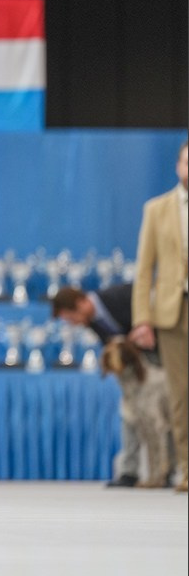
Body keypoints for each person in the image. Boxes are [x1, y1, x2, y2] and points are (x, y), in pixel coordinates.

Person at [51, 281, 172, 488]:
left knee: (161, 422)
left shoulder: (122, 294)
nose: (74, 324)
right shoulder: (92, 321)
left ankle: (166, 471)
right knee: (131, 417)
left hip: (163, 363)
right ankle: (131, 472)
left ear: (82, 303)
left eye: (73, 318)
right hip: (136, 378)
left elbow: (159, 310)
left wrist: (146, 326)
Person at [131, 139, 188, 494]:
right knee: (180, 394)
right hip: (171, 313)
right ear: (178, 166)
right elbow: (144, 268)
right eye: (187, 162)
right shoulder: (156, 209)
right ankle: (188, 468)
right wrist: (142, 318)